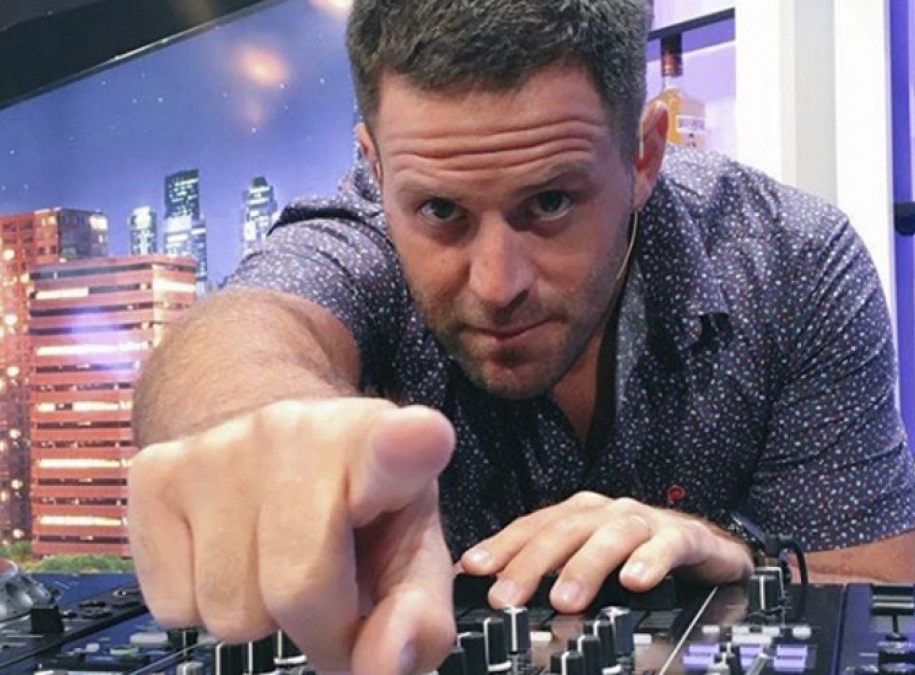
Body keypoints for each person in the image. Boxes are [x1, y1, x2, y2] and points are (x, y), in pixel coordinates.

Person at [127, 0, 915, 672]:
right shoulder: (359, 235)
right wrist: (266, 428)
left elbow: (880, 580)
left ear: (644, 154)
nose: (497, 284)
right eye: (440, 211)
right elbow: (243, 334)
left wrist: (731, 553)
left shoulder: (790, 260)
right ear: (375, 168)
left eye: (550, 203)